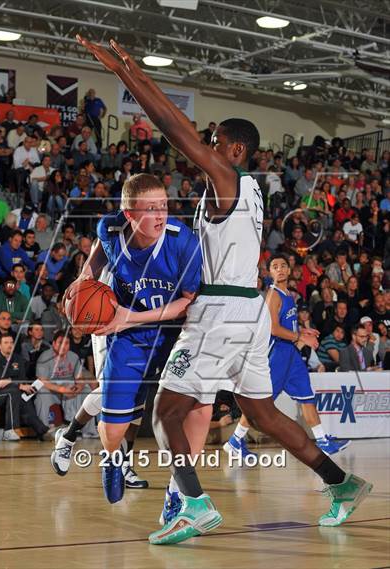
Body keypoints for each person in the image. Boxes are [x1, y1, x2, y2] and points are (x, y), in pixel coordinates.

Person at [77, 35, 372, 544]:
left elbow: (174, 128)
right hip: (247, 310)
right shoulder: (247, 187)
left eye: (213, 142)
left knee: (164, 411)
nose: (204, 147)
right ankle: (340, 482)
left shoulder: (228, 176)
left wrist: (129, 74)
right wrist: (132, 70)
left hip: (220, 311)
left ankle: (193, 504)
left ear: (234, 149)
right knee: (261, 413)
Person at [51, 173, 205, 495]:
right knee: (116, 395)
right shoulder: (110, 228)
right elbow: (99, 250)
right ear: (129, 215)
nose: (161, 214)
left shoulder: (182, 240)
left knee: (150, 398)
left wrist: (132, 317)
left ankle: (124, 460)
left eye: (164, 205)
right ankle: (88, 445)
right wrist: (84, 278)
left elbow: (186, 302)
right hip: (112, 320)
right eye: (152, 208)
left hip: (162, 327)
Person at [224, 254, 349, 459]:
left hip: (291, 353)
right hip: (277, 355)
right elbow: (273, 329)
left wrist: (303, 332)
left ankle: (322, 441)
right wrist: (300, 336)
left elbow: (288, 325)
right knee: (262, 404)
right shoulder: (273, 295)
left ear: (289, 270)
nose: (280, 269)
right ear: (270, 272)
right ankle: (235, 440)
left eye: (283, 265)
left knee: (307, 396)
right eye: (275, 266)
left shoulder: (289, 294)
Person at [34, 330, 97, 436]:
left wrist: (79, 387)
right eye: (60, 342)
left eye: (67, 343)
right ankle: (44, 431)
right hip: (52, 390)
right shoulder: (45, 357)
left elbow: (79, 377)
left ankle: (89, 432)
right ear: (54, 343)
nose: (64, 346)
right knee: (42, 392)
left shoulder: (73, 356)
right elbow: (42, 380)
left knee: (87, 391)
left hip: (68, 388)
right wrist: (62, 390)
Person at [0, 334, 49, 441]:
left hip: (15, 392)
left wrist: (15, 383)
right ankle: (9, 430)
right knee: (15, 392)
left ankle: (42, 431)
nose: (9, 345)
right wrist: (15, 382)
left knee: (24, 397)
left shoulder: (18, 359)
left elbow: (22, 379)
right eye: (6, 343)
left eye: (11, 342)